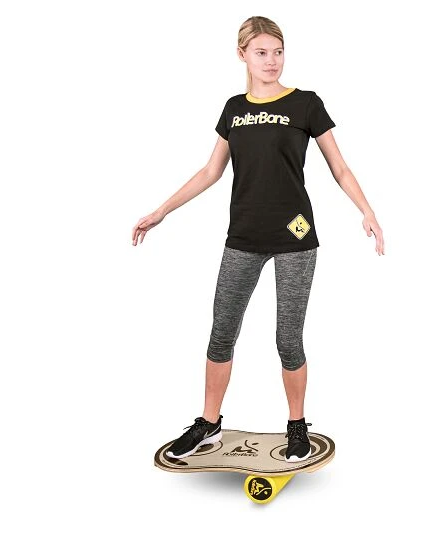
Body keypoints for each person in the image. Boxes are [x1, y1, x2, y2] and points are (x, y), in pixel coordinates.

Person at [131, 16, 384, 462]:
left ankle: (297, 426)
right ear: (242, 54)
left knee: (288, 339)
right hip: (243, 236)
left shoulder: (306, 103)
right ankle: (209, 423)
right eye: (262, 52)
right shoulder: (234, 109)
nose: (272, 61)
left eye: (278, 52)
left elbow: (339, 167)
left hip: (295, 236)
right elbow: (210, 171)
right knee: (221, 333)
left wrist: (367, 210)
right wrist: (161, 211)